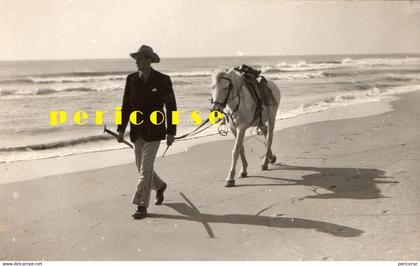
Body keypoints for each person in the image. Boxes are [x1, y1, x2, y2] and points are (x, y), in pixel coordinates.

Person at [117, 45, 177, 219]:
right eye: (136, 59)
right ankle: (160, 186)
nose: (137, 62)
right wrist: (121, 129)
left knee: (145, 169)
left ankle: (141, 205)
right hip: (136, 131)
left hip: (155, 131)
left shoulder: (163, 80)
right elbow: (126, 106)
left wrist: (171, 131)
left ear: (149, 61)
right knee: (141, 168)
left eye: (140, 58)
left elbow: (171, 107)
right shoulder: (131, 79)